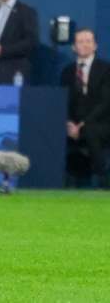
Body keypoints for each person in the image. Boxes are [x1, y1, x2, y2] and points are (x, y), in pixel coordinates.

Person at [62, 29, 110, 187]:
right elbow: (62, 101)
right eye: (80, 41)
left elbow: (105, 102)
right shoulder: (67, 72)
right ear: (74, 47)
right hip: (73, 125)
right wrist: (69, 123)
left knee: (90, 130)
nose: (85, 45)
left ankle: (102, 179)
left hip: (101, 123)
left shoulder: (106, 69)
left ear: (95, 46)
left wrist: (83, 124)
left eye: (88, 41)